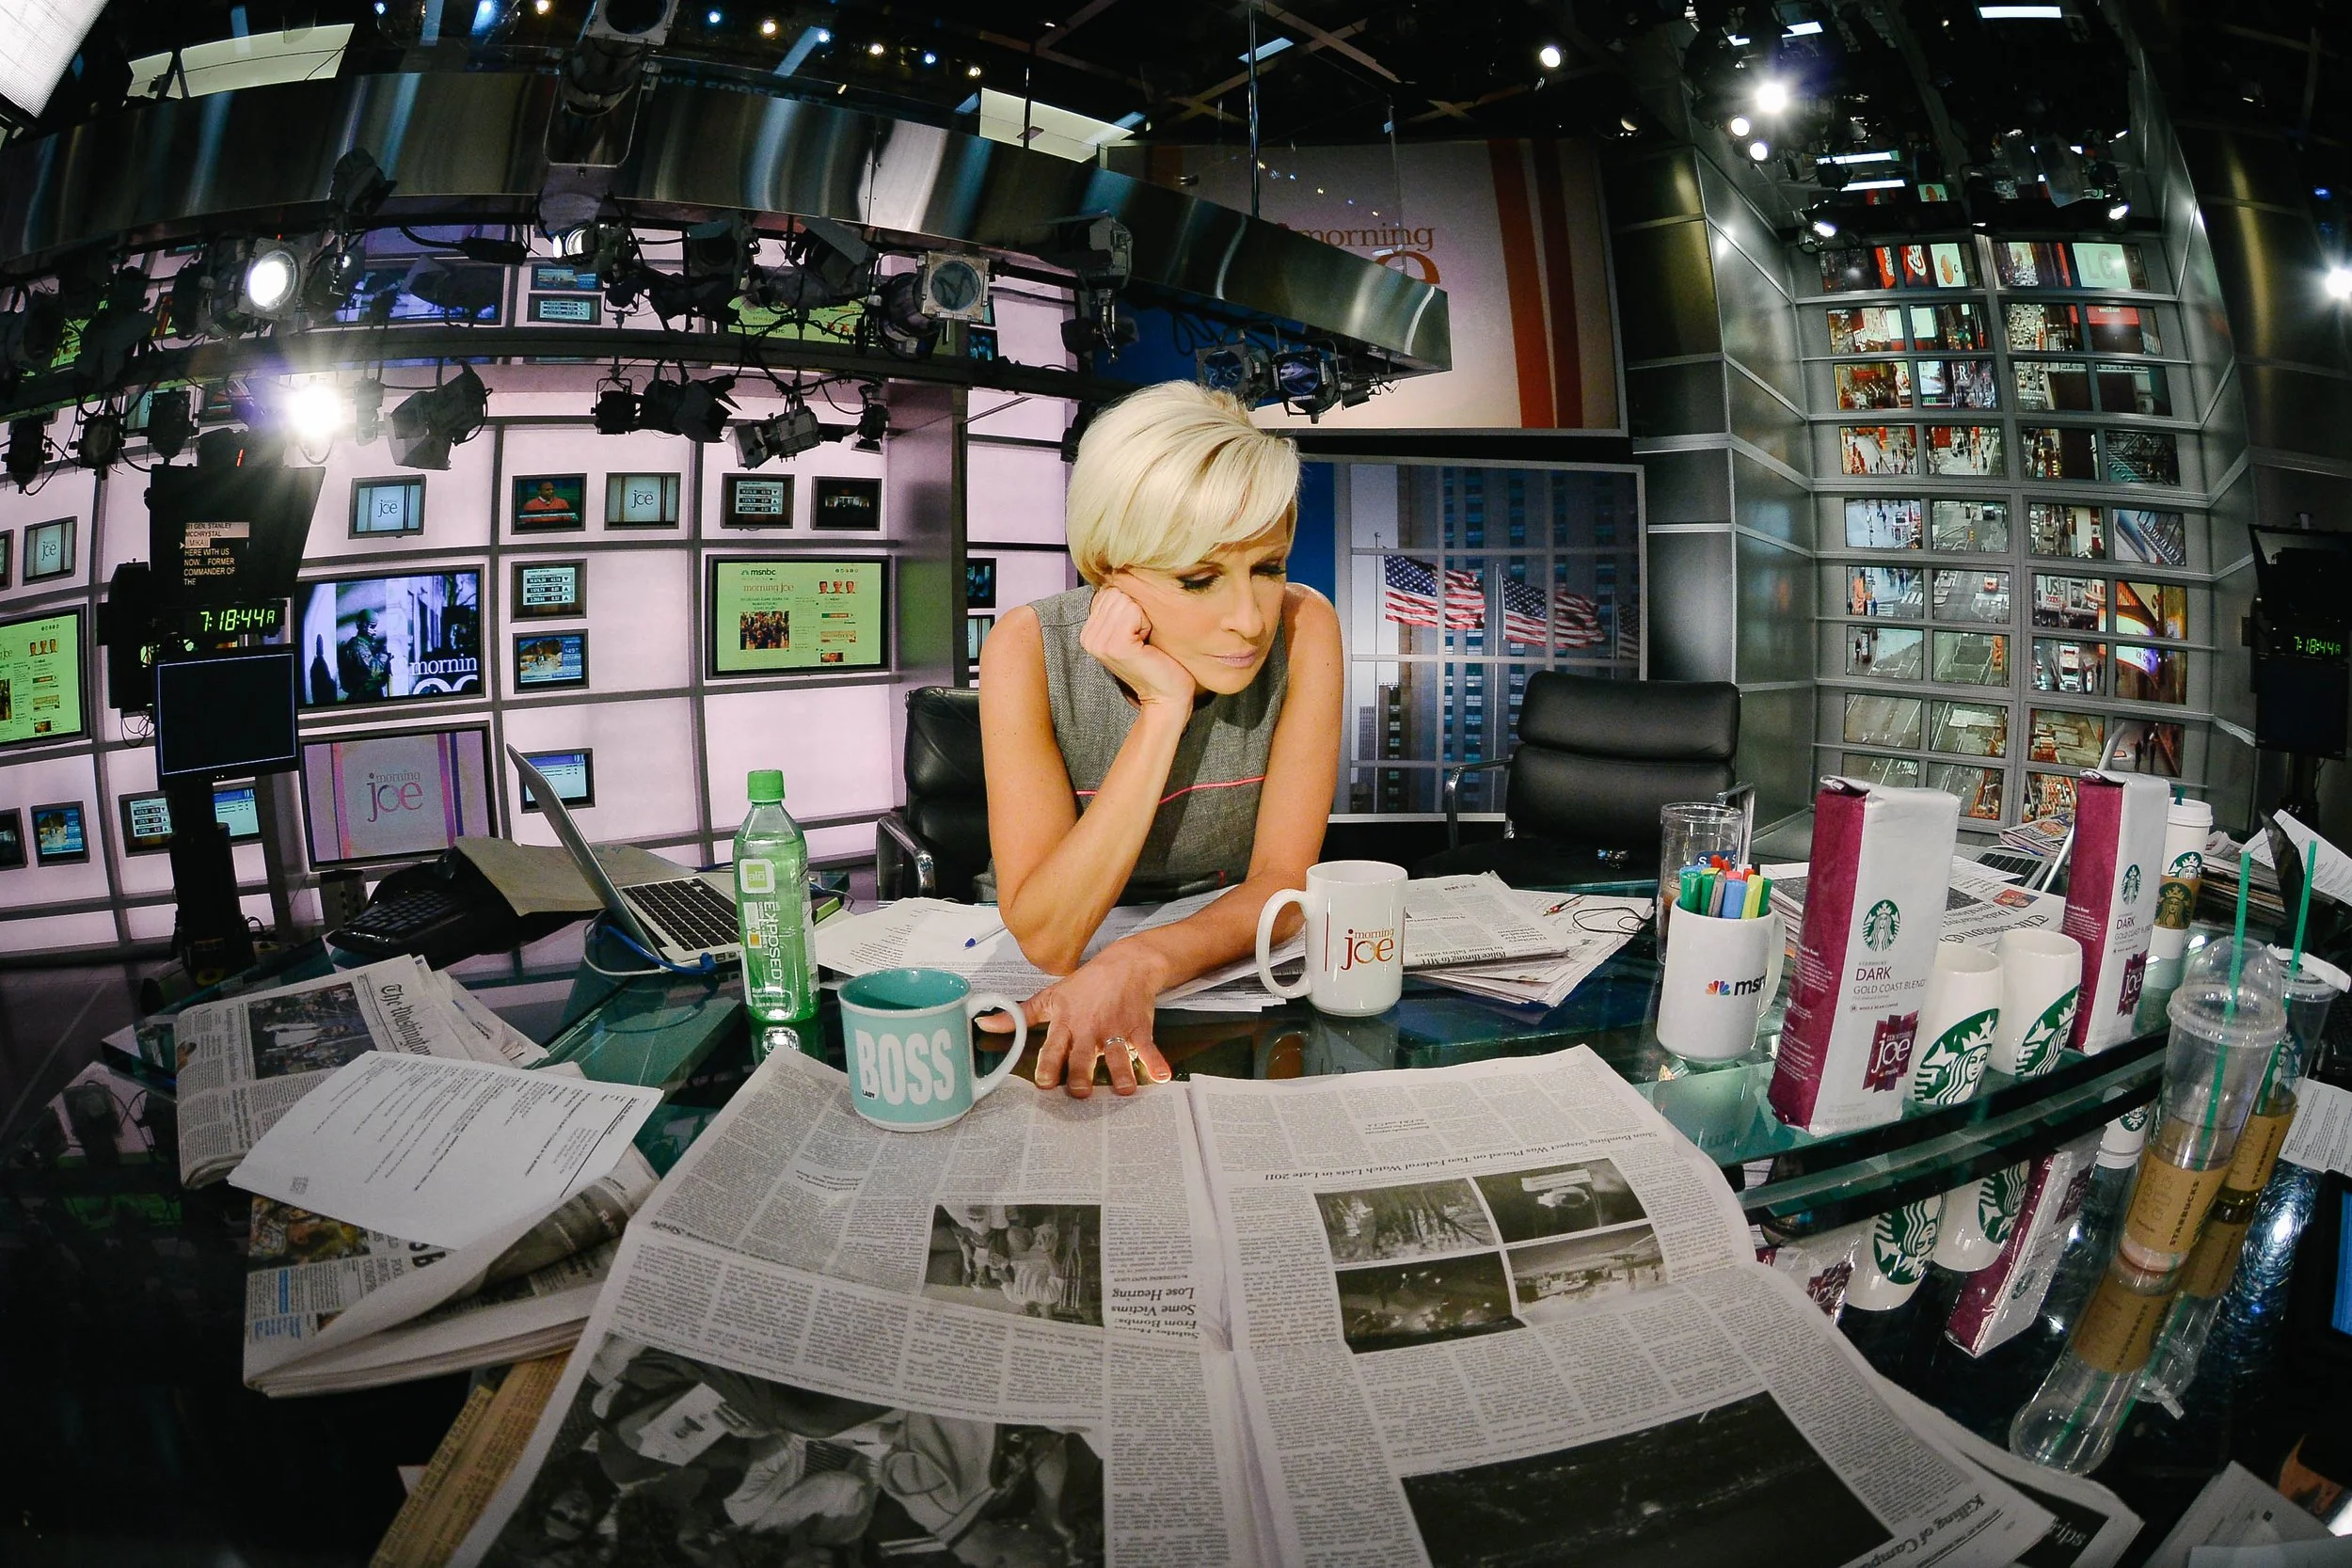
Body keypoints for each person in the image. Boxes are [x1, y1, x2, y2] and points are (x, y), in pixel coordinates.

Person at [978, 381, 1342, 1098]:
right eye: (1199, 578)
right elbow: (1051, 938)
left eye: (1268, 567)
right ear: (1109, 570)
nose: (1248, 619)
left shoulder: (1307, 628)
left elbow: (1283, 885)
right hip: (1048, 977)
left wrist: (1138, 962)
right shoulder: (1024, 647)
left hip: (1215, 962)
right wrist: (1163, 706)